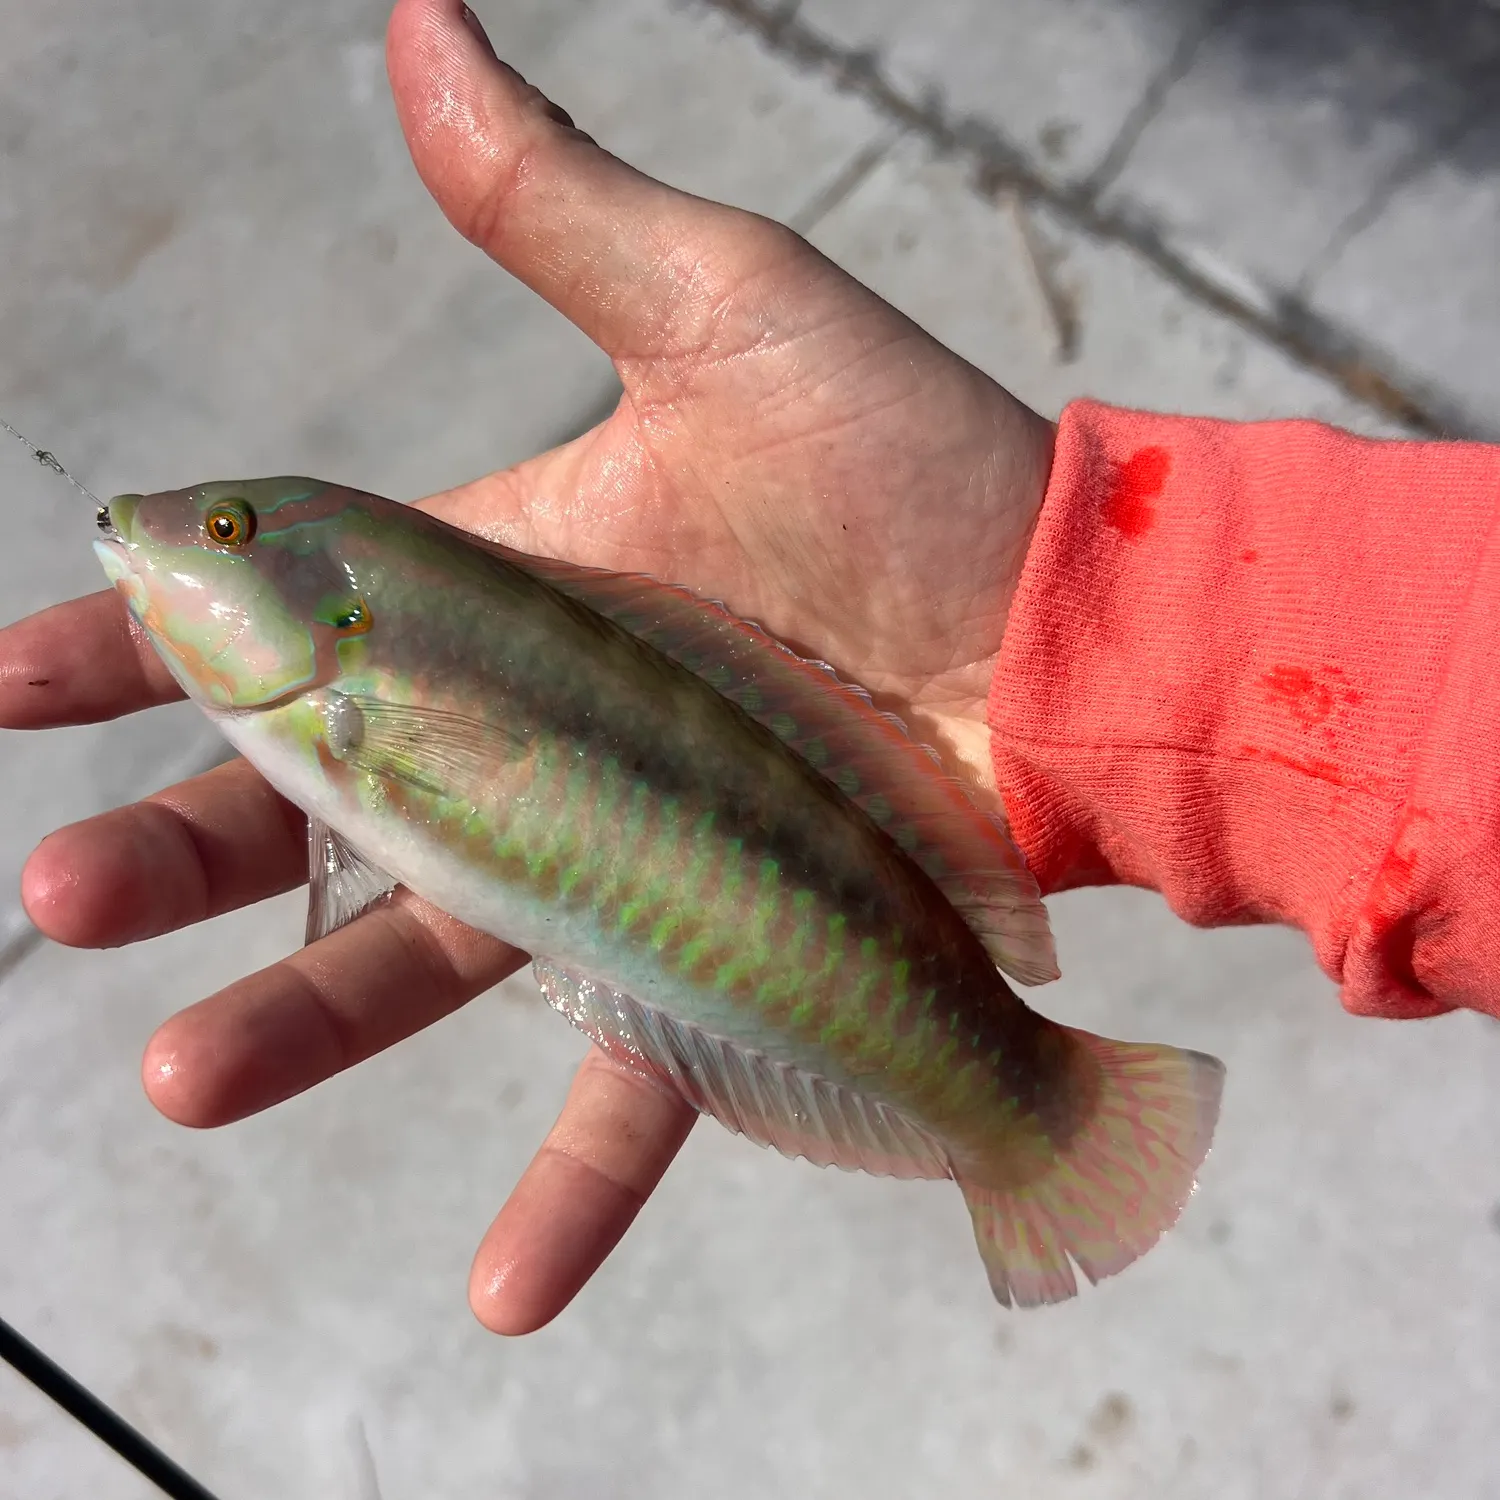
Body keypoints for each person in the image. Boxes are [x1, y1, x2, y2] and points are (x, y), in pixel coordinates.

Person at [2, 0, 1496, 1333]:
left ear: (326, 608)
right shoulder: (330, 690)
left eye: (230, 527)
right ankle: (1011, 1099)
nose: (175, 538)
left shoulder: (350, 679)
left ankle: (1025, 1105)